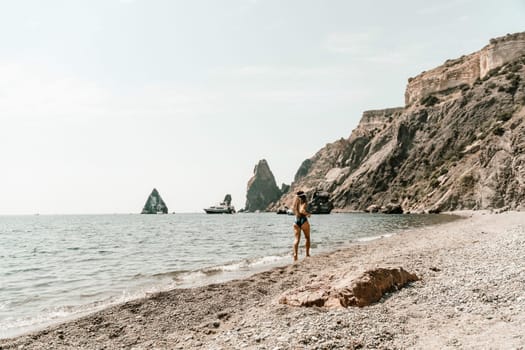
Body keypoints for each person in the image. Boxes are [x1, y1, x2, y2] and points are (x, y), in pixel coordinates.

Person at [292, 190, 311, 261]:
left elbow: (296, 211)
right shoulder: (304, 202)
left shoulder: (295, 203)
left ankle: (295, 255)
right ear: (304, 196)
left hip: (296, 221)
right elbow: (302, 210)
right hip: (303, 220)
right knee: (307, 238)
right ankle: (307, 254)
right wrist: (308, 214)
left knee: (296, 239)